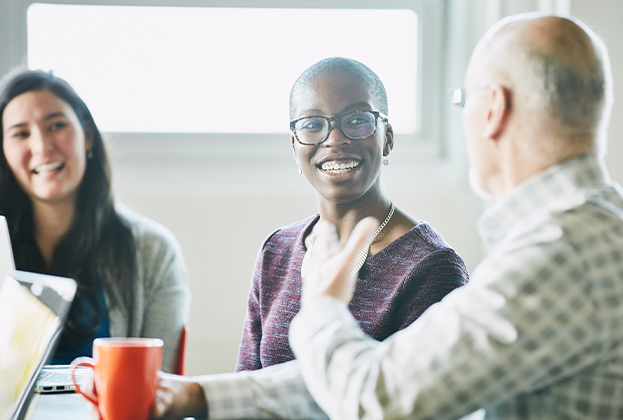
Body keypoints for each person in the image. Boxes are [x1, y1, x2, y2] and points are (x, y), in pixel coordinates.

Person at [150, 12, 623, 420]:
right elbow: (392, 374)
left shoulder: (562, 252)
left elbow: (380, 399)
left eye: (463, 101)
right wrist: (198, 393)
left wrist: (324, 308)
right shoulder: (579, 236)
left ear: (493, 109)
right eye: (312, 125)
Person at [236, 57, 469, 371]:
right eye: (313, 124)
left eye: (357, 120)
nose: (334, 139)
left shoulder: (430, 266)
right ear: (295, 147)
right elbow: (246, 384)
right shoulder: (277, 250)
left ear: (387, 139)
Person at [0, 69, 190, 373]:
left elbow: (158, 386)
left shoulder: (153, 250)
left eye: (56, 125)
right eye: (21, 133)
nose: (41, 146)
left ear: (87, 136)